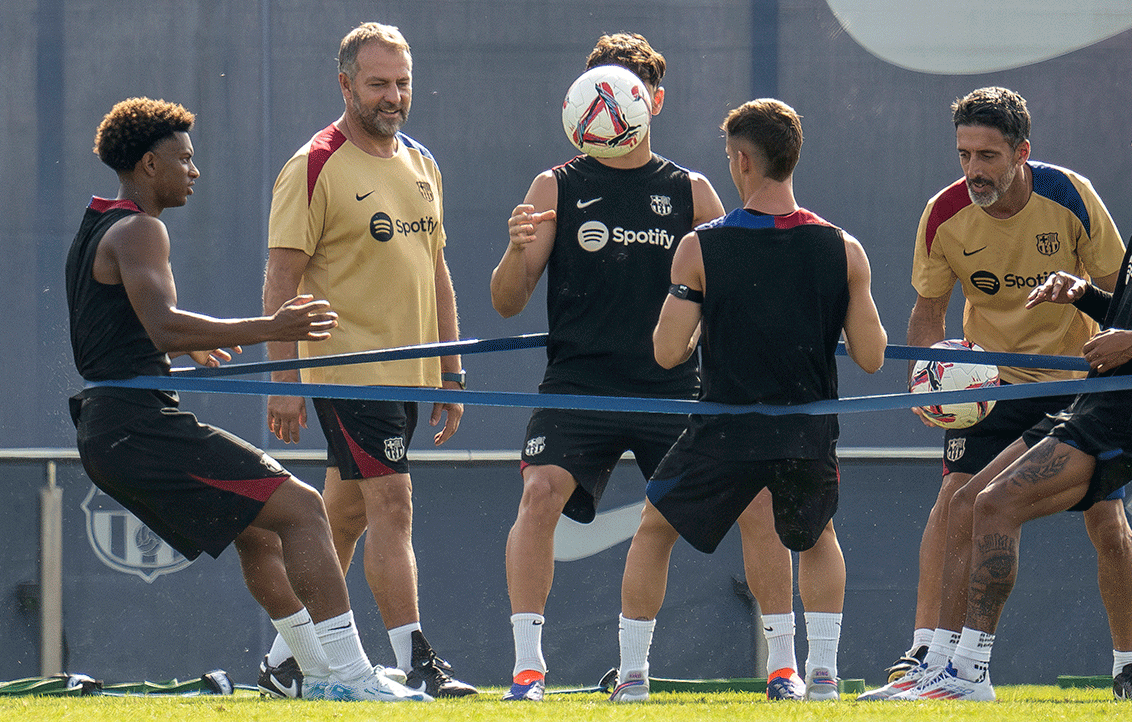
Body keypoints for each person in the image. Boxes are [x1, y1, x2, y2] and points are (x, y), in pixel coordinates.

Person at [66, 97, 431, 702]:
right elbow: (164, 327)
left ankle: (312, 676)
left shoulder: (98, 223)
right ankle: (355, 677)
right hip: (138, 427)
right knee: (306, 508)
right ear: (151, 165)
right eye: (184, 159)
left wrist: (187, 349)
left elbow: (121, 326)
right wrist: (274, 327)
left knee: (258, 532)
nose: (195, 170)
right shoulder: (140, 228)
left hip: (111, 431)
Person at [900, 82, 1132, 702]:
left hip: (1120, 403)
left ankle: (1001, 670)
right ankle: (937, 659)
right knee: (968, 499)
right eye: (964, 155)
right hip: (1065, 395)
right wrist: (1083, 295)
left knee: (1021, 509)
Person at [490, 33, 796, 701]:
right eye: (597, 86)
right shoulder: (555, 183)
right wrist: (516, 251)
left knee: (758, 503)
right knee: (538, 494)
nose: (609, 100)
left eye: (624, 87)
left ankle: (785, 669)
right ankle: (527, 672)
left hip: (674, 390)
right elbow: (508, 302)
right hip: (579, 384)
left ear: (652, 100)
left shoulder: (691, 190)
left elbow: (738, 293)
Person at [862, 86, 1132, 700]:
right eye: (964, 153)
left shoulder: (1070, 196)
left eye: (988, 155)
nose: (974, 168)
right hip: (988, 385)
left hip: (1077, 384)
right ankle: (927, 656)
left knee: (1105, 518)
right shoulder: (944, 214)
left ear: (1023, 151)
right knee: (953, 502)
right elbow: (929, 308)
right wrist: (929, 380)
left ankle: (1129, 668)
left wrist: (1116, 358)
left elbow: (1120, 291)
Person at [612, 98, 888, 703]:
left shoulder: (701, 247)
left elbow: (665, 353)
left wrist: (708, 323)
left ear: (741, 161)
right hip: (805, 431)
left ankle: (632, 678)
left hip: (725, 430)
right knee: (818, 539)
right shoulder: (844, 249)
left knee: (653, 531)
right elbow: (870, 356)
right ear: (793, 157)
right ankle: (822, 675)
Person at [260, 22, 475, 698]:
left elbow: (435, 270)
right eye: (378, 83)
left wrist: (448, 370)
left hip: (409, 374)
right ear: (345, 82)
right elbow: (280, 281)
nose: (393, 95)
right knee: (392, 504)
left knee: (344, 517)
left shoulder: (420, 160)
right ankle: (417, 660)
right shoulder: (314, 163)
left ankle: (286, 659)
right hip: (348, 369)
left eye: (402, 83)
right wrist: (284, 378)